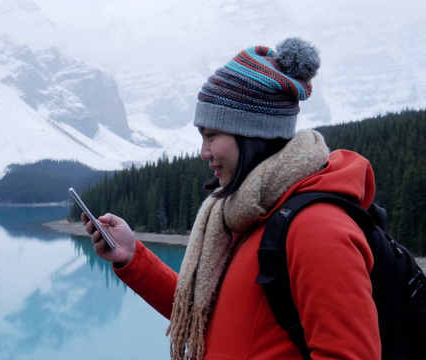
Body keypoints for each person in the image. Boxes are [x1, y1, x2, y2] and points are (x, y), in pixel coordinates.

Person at [82, 37, 381, 359]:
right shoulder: (247, 214)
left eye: (212, 136)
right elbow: (207, 314)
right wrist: (130, 256)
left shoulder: (317, 228)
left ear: (253, 133)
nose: (203, 152)